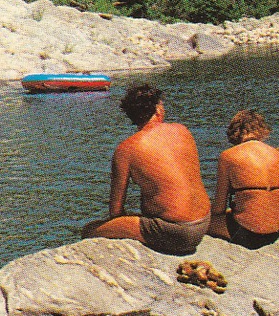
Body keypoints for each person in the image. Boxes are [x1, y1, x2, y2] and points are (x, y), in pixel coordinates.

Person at [82, 83, 212, 255]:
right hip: (204, 222)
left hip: (175, 232)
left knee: (90, 230)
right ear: (158, 109)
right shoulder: (182, 130)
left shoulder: (126, 149)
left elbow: (115, 211)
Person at [209, 109, 279, 249]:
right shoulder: (277, 155)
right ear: (261, 130)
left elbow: (219, 208)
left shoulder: (228, 156)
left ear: (235, 131)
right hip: (276, 231)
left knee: (201, 221)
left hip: (248, 233)